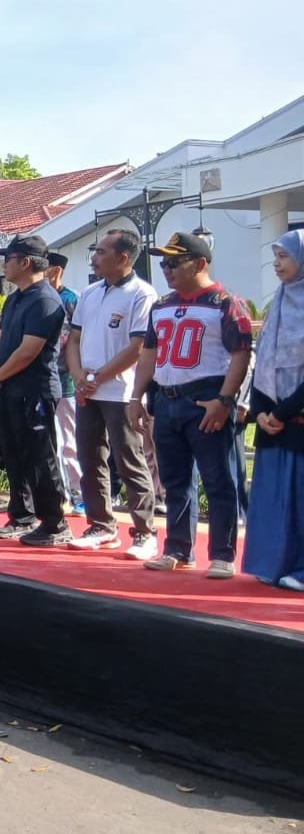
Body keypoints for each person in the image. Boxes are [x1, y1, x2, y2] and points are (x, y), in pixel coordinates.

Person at [127, 232, 251, 576]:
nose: (167, 269)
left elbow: (241, 355)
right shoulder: (162, 305)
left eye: (175, 262)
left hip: (206, 397)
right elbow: (149, 353)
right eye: (163, 263)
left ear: (199, 264)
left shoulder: (225, 302)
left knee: (218, 479)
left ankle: (223, 554)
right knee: (174, 480)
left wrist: (224, 399)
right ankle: (178, 548)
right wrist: (136, 397)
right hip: (167, 398)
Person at [65, 228, 159, 556]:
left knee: (128, 460)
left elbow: (137, 347)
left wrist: (99, 376)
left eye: (102, 251)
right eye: (95, 250)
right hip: (87, 390)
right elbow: (74, 340)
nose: (94, 257)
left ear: (123, 258)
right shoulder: (90, 293)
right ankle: (101, 525)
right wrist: (79, 376)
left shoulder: (142, 293)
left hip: (120, 391)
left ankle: (145, 532)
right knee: (90, 459)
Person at [0, 235, 72, 546]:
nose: (3, 265)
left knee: (40, 457)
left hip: (35, 390)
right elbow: (0, 338)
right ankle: (22, 516)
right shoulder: (14, 299)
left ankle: (54, 522)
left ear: (25, 262)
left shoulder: (45, 300)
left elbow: (29, 350)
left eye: (7, 259)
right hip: (9, 389)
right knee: (13, 454)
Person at [243, 231, 304, 589]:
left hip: (296, 417)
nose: (277, 264)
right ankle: (275, 562)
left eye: (284, 256)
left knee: (300, 497)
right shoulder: (278, 302)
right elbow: (263, 359)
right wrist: (261, 411)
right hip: (273, 418)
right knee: (274, 495)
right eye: (275, 256)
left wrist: (281, 413)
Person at [46, 252, 85, 509]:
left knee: (69, 441)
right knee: (50, 442)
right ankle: (57, 495)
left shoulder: (71, 299)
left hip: (66, 380)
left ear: (56, 270)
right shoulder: (36, 297)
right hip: (43, 380)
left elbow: (77, 340)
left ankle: (80, 494)